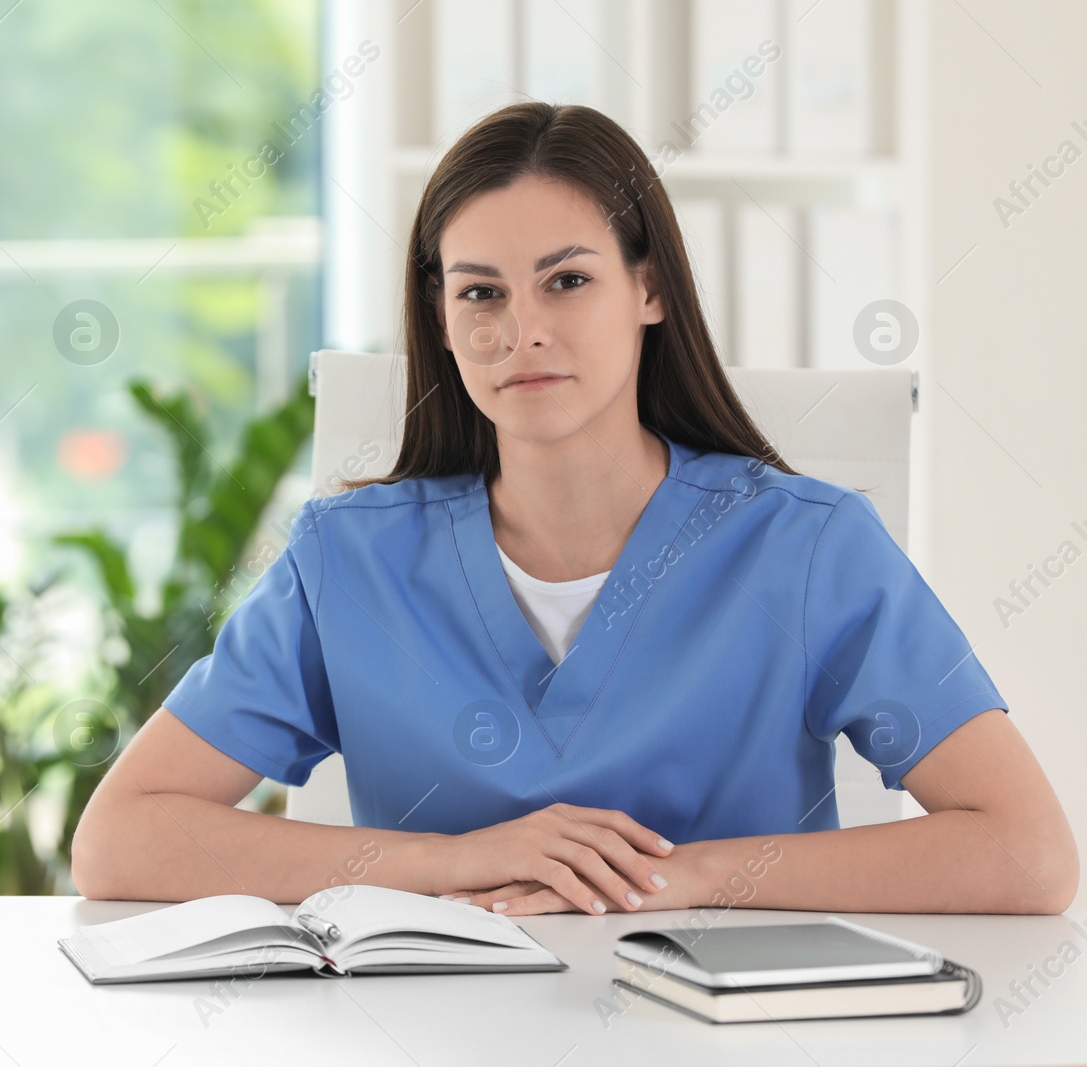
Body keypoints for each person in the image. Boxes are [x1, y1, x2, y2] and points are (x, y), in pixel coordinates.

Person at [72, 102, 1077, 917]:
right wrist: (457, 861)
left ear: (649, 289)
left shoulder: (806, 548)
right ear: (439, 317)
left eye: (566, 280)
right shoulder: (345, 561)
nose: (522, 333)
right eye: (479, 294)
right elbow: (120, 839)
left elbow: (1026, 852)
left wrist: (674, 878)